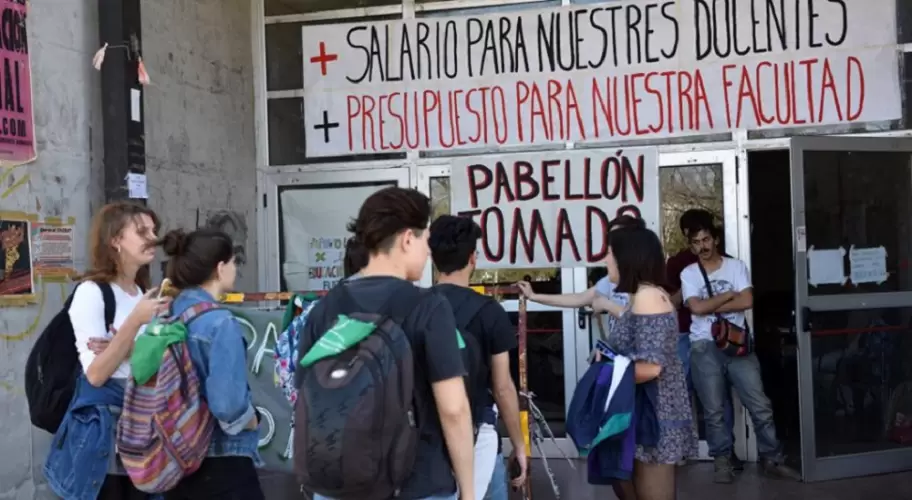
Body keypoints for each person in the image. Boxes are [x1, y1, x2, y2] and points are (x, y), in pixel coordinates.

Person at [303, 187, 475, 500]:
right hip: (418, 483)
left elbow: (305, 395)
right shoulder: (429, 307)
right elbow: (453, 409)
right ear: (408, 238)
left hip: (339, 486)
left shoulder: (324, 309)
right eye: (425, 240)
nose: (428, 252)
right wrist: (470, 491)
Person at [44, 202, 168, 500]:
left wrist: (123, 347)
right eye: (141, 231)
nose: (152, 237)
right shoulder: (92, 292)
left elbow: (159, 361)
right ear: (115, 239)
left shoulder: (141, 293)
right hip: (104, 437)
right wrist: (135, 322)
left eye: (154, 230)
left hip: (144, 429)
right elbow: (97, 374)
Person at [679, 217, 801, 483]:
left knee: (760, 404)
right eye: (697, 242)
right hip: (703, 346)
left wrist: (710, 303)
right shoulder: (689, 273)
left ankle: (772, 458)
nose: (703, 246)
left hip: (738, 343)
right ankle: (722, 462)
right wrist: (727, 296)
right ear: (691, 247)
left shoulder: (736, 266)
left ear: (716, 239)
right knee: (713, 410)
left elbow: (746, 300)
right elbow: (696, 309)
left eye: (707, 239)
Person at [158, 228, 265, 499]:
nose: (235, 269)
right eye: (233, 262)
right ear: (220, 268)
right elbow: (227, 404)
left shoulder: (165, 315)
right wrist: (252, 420)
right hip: (223, 459)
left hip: (174, 457)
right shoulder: (220, 323)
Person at [428, 215, 527, 500]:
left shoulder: (415, 307)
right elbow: (503, 387)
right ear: (473, 258)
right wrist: (518, 445)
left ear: (432, 257)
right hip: (478, 437)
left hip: (428, 440)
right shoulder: (489, 312)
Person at [602, 225, 697, 500]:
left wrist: (606, 374)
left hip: (653, 418)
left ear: (628, 257)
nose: (605, 259)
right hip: (639, 413)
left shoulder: (648, 297)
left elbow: (652, 367)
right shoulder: (639, 296)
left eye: (609, 253)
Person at [665, 209, 740, 469]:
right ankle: (722, 452)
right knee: (712, 395)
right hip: (697, 334)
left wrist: (697, 301)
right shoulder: (681, 265)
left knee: (689, 393)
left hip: (702, 334)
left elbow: (673, 302)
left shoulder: (723, 263)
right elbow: (672, 302)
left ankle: (696, 450)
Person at [516, 215, 644, 337]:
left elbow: (642, 324)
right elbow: (578, 298)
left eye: (618, 237)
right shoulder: (612, 280)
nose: (612, 242)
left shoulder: (646, 284)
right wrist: (533, 296)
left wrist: (607, 305)